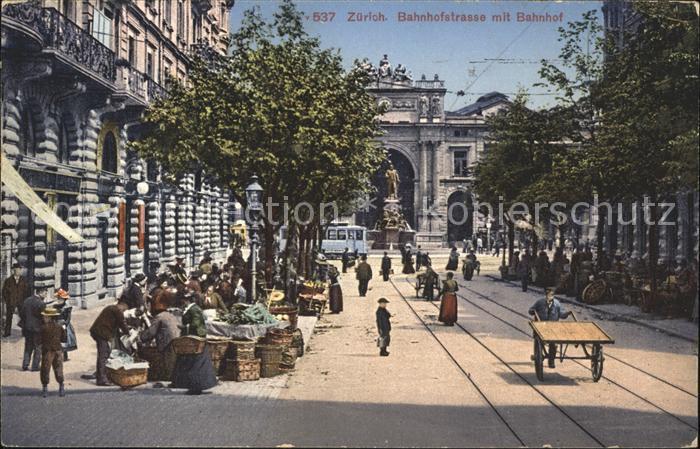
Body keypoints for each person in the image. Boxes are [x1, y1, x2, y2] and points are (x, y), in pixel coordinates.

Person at [172, 292, 218, 395]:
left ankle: (196, 387)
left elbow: (196, 324)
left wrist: (184, 328)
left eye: (183, 301)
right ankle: (190, 385)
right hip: (192, 339)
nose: (182, 303)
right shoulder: (190, 309)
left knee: (197, 363)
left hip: (197, 339)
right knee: (193, 362)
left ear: (187, 300)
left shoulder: (194, 309)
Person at [89, 302, 130, 386]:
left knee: (104, 354)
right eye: (125, 310)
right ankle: (101, 379)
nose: (124, 311)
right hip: (101, 333)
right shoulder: (118, 310)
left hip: (98, 331)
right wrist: (128, 332)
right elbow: (122, 323)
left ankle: (100, 375)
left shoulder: (111, 308)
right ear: (123, 306)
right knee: (103, 355)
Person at [528, 288, 571, 368]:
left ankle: (551, 360)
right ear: (546, 295)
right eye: (548, 295)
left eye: (552, 295)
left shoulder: (557, 304)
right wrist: (532, 311)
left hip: (553, 327)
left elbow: (561, 314)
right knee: (539, 342)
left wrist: (566, 314)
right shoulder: (540, 302)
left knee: (553, 344)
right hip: (541, 327)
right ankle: (538, 354)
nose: (550, 297)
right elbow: (530, 310)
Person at [139, 308, 179, 382]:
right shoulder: (171, 315)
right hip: (176, 340)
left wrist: (141, 337)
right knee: (172, 361)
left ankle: (168, 378)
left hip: (167, 342)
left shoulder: (159, 317)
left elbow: (151, 332)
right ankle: (171, 377)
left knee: (167, 362)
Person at [39, 307, 67, 397]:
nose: (43, 318)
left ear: (49, 317)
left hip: (47, 351)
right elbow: (64, 339)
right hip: (58, 350)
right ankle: (61, 387)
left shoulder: (43, 328)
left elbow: (38, 340)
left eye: (45, 317)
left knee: (45, 369)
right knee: (59, 369)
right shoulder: (59, 327)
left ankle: (45, 388)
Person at [19, 286, 48, 371]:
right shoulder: (41, 304)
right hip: (37, 329)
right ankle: (35, 366)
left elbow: (21, 314)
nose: (46, 295)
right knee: (38, 347)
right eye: (45, 293)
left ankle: (25, 365)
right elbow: (44, 318)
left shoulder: (27, 300)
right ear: (40, 292)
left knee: (28, 347)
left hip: (27, 328)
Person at [3, 263, 30, 337]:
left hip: (21, 302)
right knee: (9, 317)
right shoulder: (8, 281)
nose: (17, 271)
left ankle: (24, 332)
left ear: (20, 270)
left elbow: (27, 291)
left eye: (18, 270)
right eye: (15, 270)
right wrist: (8, 301)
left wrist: (25, 301)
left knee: (23, 317)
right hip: (11, 302)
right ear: (13, 270)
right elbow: (4, 292)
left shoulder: (24, 280)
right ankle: (7, 332)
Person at [50, 289, 77, 361]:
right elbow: (53, 316)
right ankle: (57, 355)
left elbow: (68, 318)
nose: (59, 300)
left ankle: (64, 356)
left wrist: (64, 325)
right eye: (58, 298)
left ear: (64, 299)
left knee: (65, 340)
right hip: (56, 324)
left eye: (61, 299)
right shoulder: (55, 306)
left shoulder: (67, 307)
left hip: (64, 324)